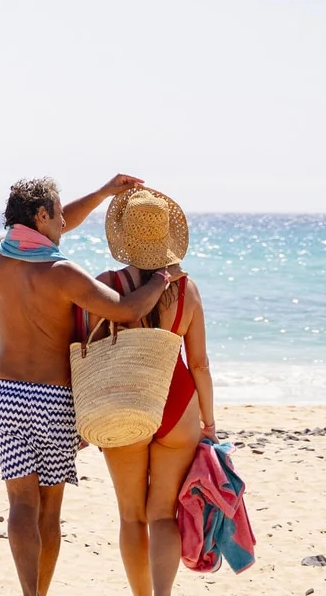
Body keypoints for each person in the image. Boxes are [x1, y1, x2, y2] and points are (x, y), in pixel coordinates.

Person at [0, 174, 182, 596]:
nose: (63, 221)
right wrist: (159, 280)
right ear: (41, 215)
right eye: (56, 213)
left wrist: (103, 193)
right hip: (52, 400)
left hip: (5, 396)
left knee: (20, 503)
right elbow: (126, 310)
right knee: (49, 509)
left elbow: (52, 229)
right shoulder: (61, 273)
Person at [86, 187, 214, 596]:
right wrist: (209, 423)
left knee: (131, 517)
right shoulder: (188, 289)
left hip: (124, 399)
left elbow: (88, 342)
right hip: (178, 404)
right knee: (163, 516)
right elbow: (199, 364)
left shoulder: (107, 284)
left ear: (125, 237)